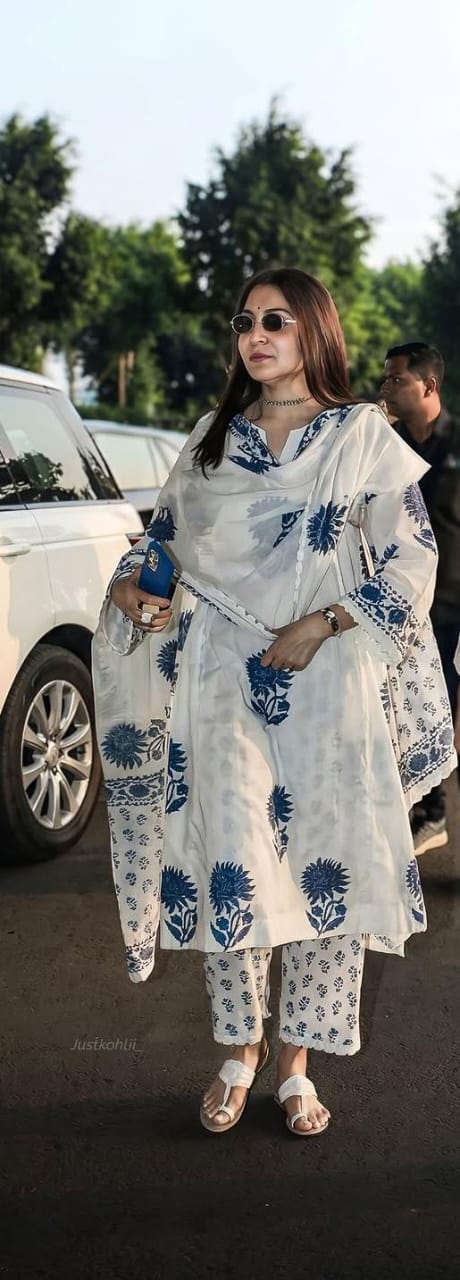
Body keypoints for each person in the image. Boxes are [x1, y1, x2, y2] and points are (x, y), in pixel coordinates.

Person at [93, 269, 456, 1139]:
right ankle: (238, 1048)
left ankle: (296, 1060)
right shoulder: (211, 440)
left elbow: (413, 558)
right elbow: (161, 546)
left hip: (325, 678)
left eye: (276, 321)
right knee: (234, 859)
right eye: (244, 321)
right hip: (220, 678)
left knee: (324, 863)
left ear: (314, 331)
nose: (255, 336)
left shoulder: (361, 436)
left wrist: (324, 622)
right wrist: (137, 590)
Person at [381, 342, 460, 855]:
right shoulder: (387, 446)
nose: (385, 387)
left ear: (428, 386)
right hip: (404, 607)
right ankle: (428, 813)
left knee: (448, 718)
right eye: (385, 378)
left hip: (452, 607)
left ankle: (434, 815)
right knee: (408, 714)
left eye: (397, 379)